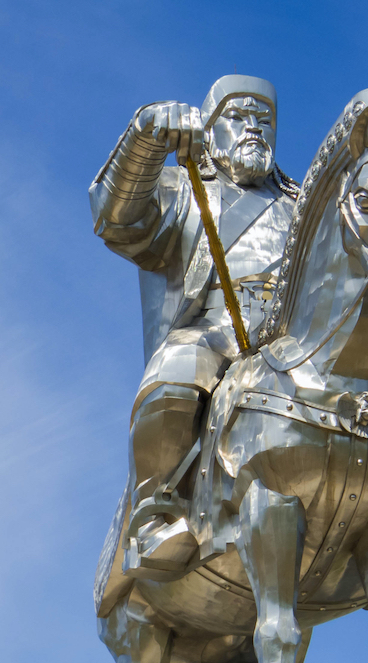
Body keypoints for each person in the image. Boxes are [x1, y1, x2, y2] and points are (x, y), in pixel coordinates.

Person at [90, 75, 298, 576]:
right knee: (179, 367)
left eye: (264, 120)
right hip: (218, 327)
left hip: (297, 335)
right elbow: (117, 219)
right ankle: (156, 512)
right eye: (238, 117)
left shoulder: (302, 202)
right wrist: (146, 137)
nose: (253, 128)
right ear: (210, 128)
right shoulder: (183, 186)